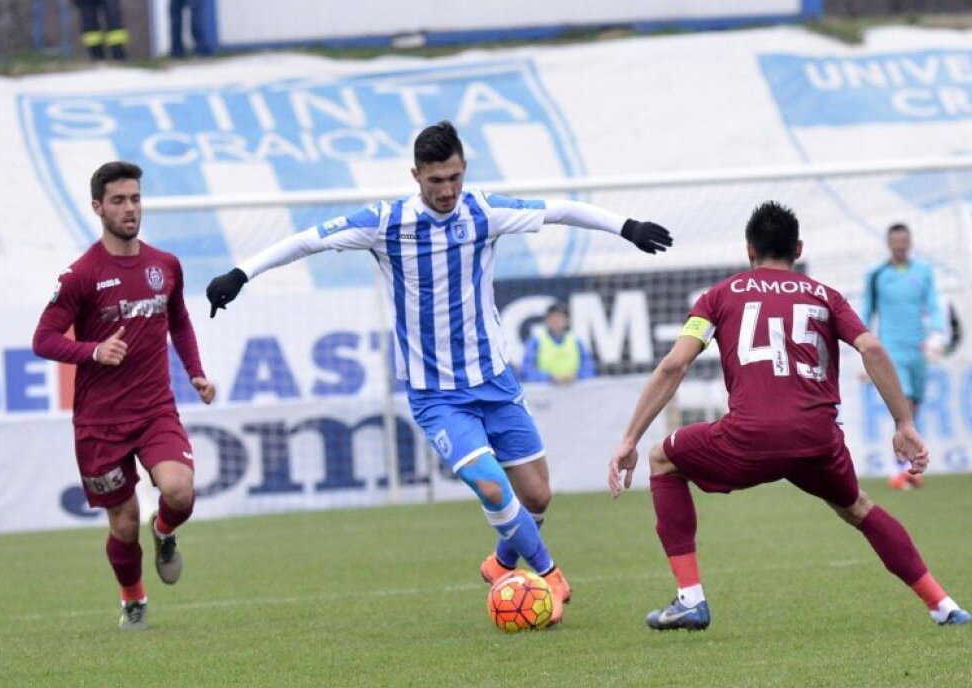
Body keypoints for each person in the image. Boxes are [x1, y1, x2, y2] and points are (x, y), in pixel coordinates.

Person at [206, 120, 673, 626]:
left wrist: (627, 227)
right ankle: (550, 575)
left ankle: (502, 563)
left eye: (454, 178)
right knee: (491, 487)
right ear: (416, 176)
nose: (447, 190)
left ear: (464, 170)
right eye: (435, 181)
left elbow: (559, 209)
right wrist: (241, 274)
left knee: (538, 495)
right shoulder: (386, 223)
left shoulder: (484, 211)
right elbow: (308, 241)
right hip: (436, 396)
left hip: (494, 382)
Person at [608, 201, 971, 630]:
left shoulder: (718, 296)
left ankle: (690, 599)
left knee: (661, 459)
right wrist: (904, 423)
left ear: (749, 250)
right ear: (798, 248)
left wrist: (629, 439)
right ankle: (943, 605)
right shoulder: (826, 296)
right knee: (858, 507)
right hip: (817, 440)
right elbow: (872, 348)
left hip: (749, 438)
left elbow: (674, 365)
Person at [33, 161, 216, 631]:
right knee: (124, 523)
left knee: (179, 491)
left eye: (135, 198)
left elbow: (179, 321)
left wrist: (196, 372)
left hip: (155, 409)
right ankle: (133, 600)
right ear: (98, 207)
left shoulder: (165, 265)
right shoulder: (81, 275)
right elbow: (43, 339)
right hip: (100, 422)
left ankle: (165, 531)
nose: (130, 208)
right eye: (118, 200)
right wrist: (93, 351)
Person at [861, 223, 945, 490]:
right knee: (904, 404)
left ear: (909, 243)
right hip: (891, 348)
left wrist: (937, 333)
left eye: (904, 242)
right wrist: (862, 349)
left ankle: (909, 466)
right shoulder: (877, 274)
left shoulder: (923, 271)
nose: (900, 246)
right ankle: (899, 469)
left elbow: (933, 303)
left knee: (914, 406)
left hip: (918, 349)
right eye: (896, 242)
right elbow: (866, 311)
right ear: (889, 244)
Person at [520, 302, 596, 384]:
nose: (556, 321)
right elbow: (528, 371)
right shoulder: (536, 342)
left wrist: (576, 376)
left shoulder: (577, 342)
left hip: (574, 388)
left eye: (559, 317)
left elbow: (589, 368)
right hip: (545, 390)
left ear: (566, 320)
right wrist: (550, 378)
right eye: (552, 318)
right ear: (547, 321)